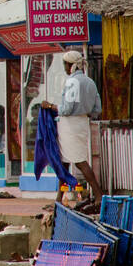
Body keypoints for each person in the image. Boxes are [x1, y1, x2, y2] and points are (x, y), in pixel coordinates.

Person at [41, 50, 103, 212]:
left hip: (69, 125)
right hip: (82, 123)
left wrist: (50, 106)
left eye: (65, 64)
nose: (64, 67)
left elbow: (66, 109)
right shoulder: (90, 82)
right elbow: (97, 109)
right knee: (64, 163)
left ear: (70, 65)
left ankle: (98, 195)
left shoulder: (72, 82)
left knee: (79, 161)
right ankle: (59, 200)